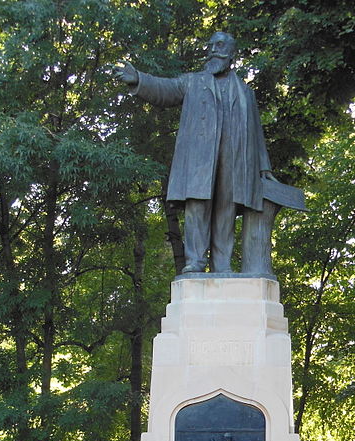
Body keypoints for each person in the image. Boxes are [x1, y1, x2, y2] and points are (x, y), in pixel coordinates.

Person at [113, 32, 276, 274]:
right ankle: (195, 261)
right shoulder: (193, 82)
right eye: (210, 46)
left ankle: (222, 264)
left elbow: (256, 132)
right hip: (201, 156)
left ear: (232, 53)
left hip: (235, 158)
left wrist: (264, 167)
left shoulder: (245, 92)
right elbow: (165, 89)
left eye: (219, 46)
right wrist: (139, 79)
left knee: (226, 209)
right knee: (198, 205)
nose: (212, 50)